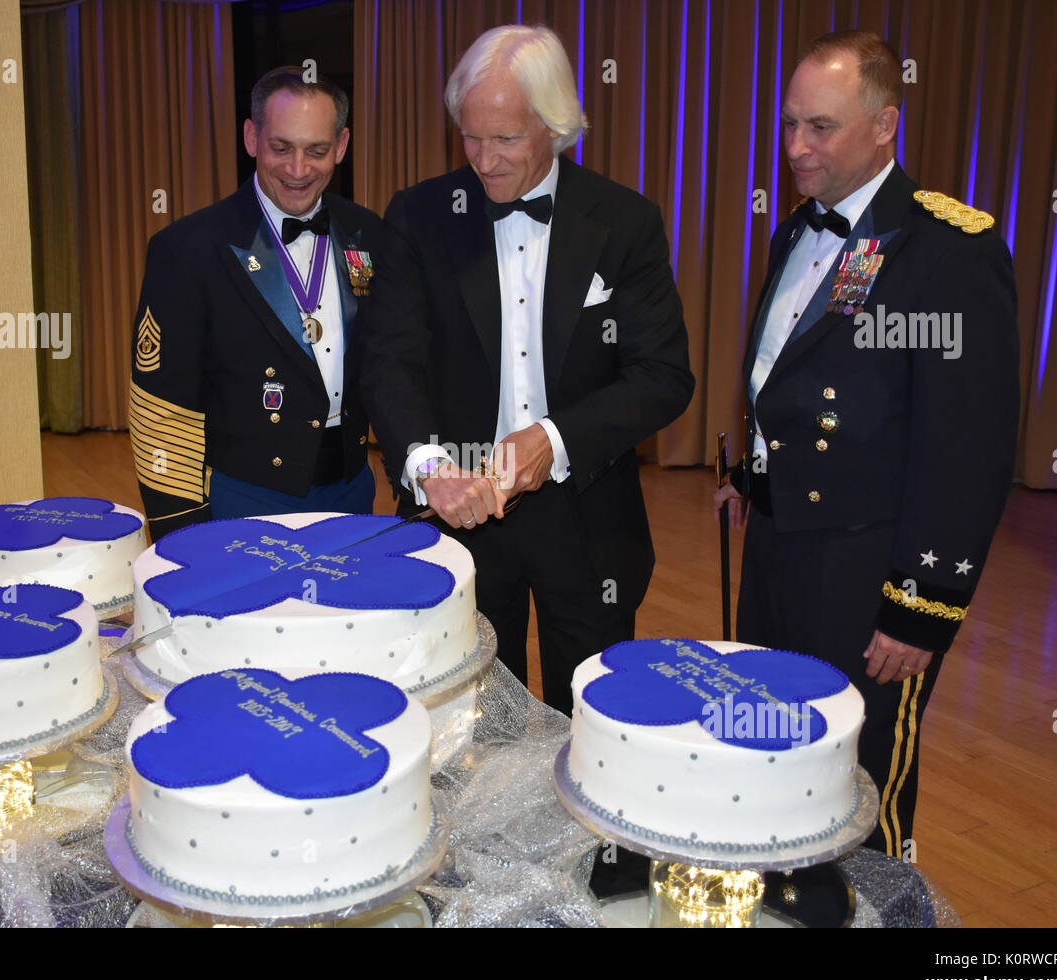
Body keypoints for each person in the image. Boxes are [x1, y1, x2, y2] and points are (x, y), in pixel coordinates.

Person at [714, 31, 1020, 856]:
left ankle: (880, 912)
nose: (795, 148)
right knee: (779, 737)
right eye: (788, 126)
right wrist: (754, 476)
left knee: (862, 773)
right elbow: (810, 382)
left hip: (870, 567)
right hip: (781, 549)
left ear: (886, 125)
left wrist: (919, 606)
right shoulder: (796, 231)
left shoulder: (947, 252)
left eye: (820, 127)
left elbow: (966, 449)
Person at [363, 25, 694, 715]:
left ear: (557, 125)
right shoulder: (419, 216)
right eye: (471, 137)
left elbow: (662, 374)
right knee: (472, 730)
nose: (483, 160)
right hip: (460, 516)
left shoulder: (624, 221)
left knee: (592, 734)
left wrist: (554, 438)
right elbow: (392, 359)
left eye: (505, 139)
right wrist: (430, 467)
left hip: (590, 519)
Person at [129, 66, 381, 540]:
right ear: (251, 137)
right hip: (242, 497)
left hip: (350, 493)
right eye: (281, 147)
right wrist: (180, 531)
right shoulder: (188, 248)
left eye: (318, 151)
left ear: (342, 146)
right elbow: (161, 405)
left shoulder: (370, 234)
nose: (298, 169)